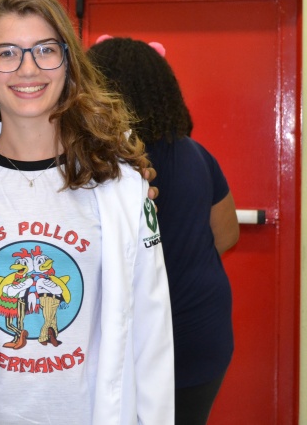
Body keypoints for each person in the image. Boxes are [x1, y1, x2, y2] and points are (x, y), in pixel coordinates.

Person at [0, 0, 174, 425]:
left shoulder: (119, 184)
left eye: (45, 50)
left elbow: (151, 321)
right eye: (6, 53)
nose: (27, 69)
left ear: (68, 63)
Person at [88, 36, 239, 425]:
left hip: (136, 342)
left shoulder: (96, 163)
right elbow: (227, 234)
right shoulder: (196, 153)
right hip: (202, 334)